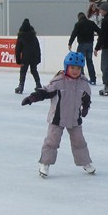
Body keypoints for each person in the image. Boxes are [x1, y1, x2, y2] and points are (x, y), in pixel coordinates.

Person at [21, 51, 95, 179]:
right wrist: (32, 98)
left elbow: (86, 98)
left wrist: (86, 107)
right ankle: (45, 163)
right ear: (66, 67)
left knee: (79, 142)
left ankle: (85, 162)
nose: (75, 71)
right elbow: (45, 92)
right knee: (51, 142)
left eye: (78, 68)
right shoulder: (59, 82)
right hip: (57, 119)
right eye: (72, 67)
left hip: (74, 119)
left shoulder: (83, 83)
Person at [68, 12, 100, 85]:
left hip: (82, 45)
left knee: (79, 62)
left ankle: (81, 78)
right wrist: (100, 40)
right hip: (90, 45)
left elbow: (74, 34)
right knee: (89, 61)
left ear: (79, 18)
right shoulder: (91, 23)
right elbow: (99, 31)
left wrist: (70, 43)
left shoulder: (78, 24)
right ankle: (93, 79)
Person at [14, 18, 43, 94]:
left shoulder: (21, 37)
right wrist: (38, 58)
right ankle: (38, 84)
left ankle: (21, 86)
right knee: (34, 70)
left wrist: (18, 60)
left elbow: (17, 50)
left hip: (25, 58)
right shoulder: (34, 37)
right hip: (34, 57)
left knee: (23, 71)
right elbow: (38, 48)